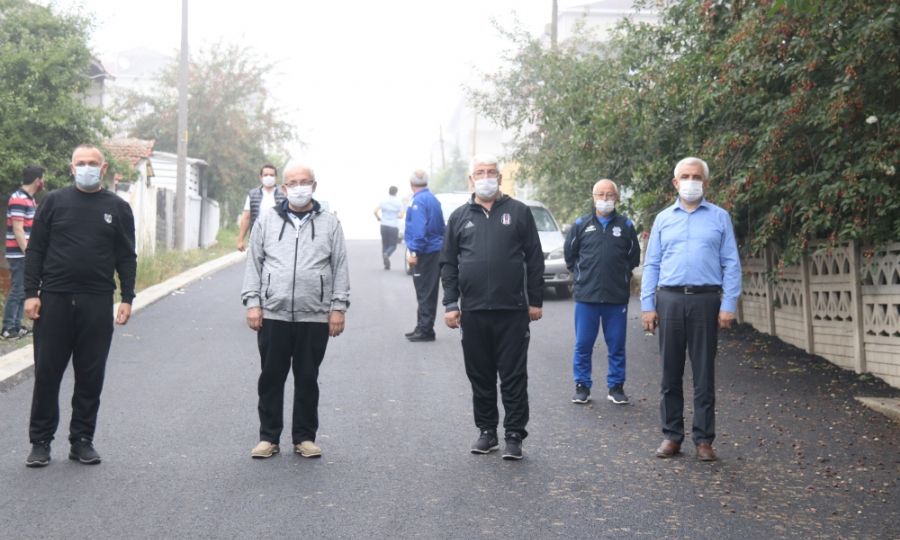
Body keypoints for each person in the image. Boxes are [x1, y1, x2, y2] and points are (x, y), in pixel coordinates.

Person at [23, 144, 137, 467]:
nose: (87, 167)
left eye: (93, 163)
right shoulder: (53, 202)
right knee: (47, 374)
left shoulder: (117, 208)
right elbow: (35, 251)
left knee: (90, 375)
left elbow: (127, 256)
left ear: (103, 169)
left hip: (97, 301)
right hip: (54, 300)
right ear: (72, 168)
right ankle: (40, 442)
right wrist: (31, 293)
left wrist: (127, 297)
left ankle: (82, 440)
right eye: (81, 163)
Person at [241, 164, 349, 460]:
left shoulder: (329, 223)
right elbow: (255, 263)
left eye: (304, 182)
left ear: (314, 185)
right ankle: (268, 437)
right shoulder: (266, 220)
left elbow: (339, 266)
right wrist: (253, 303)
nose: (298, 187)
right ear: (283, 188)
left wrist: (337, 307)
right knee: (271, 377)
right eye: (292, 183)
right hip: (273, 314)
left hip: (313, 315)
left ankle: (304, 437)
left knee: (307, 378)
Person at [440, 154, 544, 460]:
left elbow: (534, 258)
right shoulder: (460, 217)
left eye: (491, 172)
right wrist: (450, 303)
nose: (485, 177)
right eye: (479, 173)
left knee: (513, 376)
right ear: (470, 180)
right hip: (472, 311)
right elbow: (448, 264)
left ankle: (514, 435)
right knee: (480, 375)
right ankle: (487, 431)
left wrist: (535, 300)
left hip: (512, 310)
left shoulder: (519, 212)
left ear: (499, 178)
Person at [640, 157, 741, 462]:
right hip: (669, 300)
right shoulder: (663, 219)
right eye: (685, 176)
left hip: (705, 300)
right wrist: (647, 305)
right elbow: (652, 263)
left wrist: (728, 304)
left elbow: (731, 263)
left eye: (696, 176)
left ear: (705, 183)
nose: (691, 180)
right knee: (670, 372)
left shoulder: (720, 218)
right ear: (675, 182)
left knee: (704, 373)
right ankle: (672, 436)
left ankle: (704, 439)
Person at [564, 179, 640, 405]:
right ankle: (582, 386)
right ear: (593, 196)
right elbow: (570, 256)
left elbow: (633, 257)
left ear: (616, 198)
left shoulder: (625, 226)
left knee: (616, 344)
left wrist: (621, 275)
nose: (605, 199)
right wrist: (582, 276)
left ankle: (616, 387)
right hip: (587, 297)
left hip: (616, 298)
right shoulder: (580, 224)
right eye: (601, 194)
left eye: (610, 195)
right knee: (583, 344)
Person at [3, 165, 45, 340]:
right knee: (18, 289)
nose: (44, 182)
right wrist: (29, 253)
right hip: (19, 254)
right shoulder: (19, 198)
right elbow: (18, 229)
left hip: (23, 253)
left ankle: (17, 325)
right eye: (43, 178)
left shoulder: (30, 199)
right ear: (37, 181)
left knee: (23, 289)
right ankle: (8, 328)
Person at [404, 170, 444, 342]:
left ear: (411, 184)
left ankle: (426, 330)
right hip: (433, 250)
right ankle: (422, 326)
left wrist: (414, 252)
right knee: (427, 290)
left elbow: (419, 231)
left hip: (426, 251)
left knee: (425, 291)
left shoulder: (418, 201)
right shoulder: (432, 198)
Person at [237, 164, 286, 252]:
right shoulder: (252, 195)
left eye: (271, 175)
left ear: (276, 177)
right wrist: (240, 239)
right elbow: (246, 217)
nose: (268, 177)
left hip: (279, 239)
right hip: (257, 239)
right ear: (261, 177)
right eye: (266, 175)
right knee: (256, 264)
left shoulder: (284, 194)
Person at [373, 185, 403, 270]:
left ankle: (386, 264)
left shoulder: (383, 201)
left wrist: (378, 218)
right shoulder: (398, 202)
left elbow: (375, 211)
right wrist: (396, 216)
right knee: (393, 245)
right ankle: (387, 254)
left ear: (388, 191)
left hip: (384, 225)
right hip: (393, 226)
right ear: (396, 192)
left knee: (385, 244)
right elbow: (401, 215)